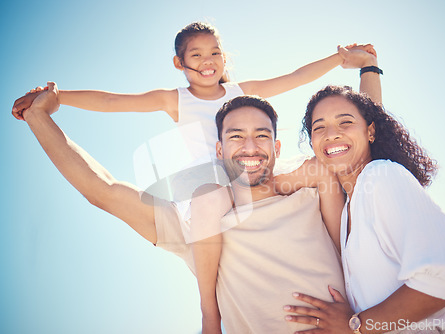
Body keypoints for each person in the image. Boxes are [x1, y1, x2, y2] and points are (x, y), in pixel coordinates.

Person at [12, 21, 382, 333]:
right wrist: (53, 100)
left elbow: (305, 86)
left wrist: (350, 61)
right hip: (212, 194)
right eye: (197, 55)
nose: (208, 63)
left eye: (214, 53)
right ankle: (209, 312)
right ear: (180, 63)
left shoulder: (296, 164)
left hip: (267, 190)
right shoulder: (177, 106)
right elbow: (112, 107)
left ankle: (344, 260)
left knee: (323, 175)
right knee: (209, 192)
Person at [284, 85, 445, 333]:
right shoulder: (347, 210)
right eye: (319, 127)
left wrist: (355, 325)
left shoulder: (381, 176)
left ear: (370, 131)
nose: (331, 134)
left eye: (345, 122)